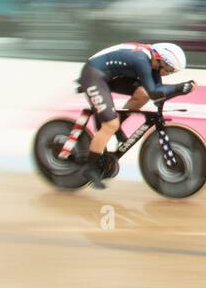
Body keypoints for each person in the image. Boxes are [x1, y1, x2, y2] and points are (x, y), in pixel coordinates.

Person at [76, 41, 195, 188]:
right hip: (94, 74)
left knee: (142, 94)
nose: (168, 73)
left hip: (109, 75)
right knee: (110, 125)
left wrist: (179, 89)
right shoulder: (141, 61)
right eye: (169, 69)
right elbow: (155, 92)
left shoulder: (152, 61)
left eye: (172, 71)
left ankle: (115, 127)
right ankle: (90, 168)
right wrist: (181, 88)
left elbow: (154, 92)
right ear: (159, 59)